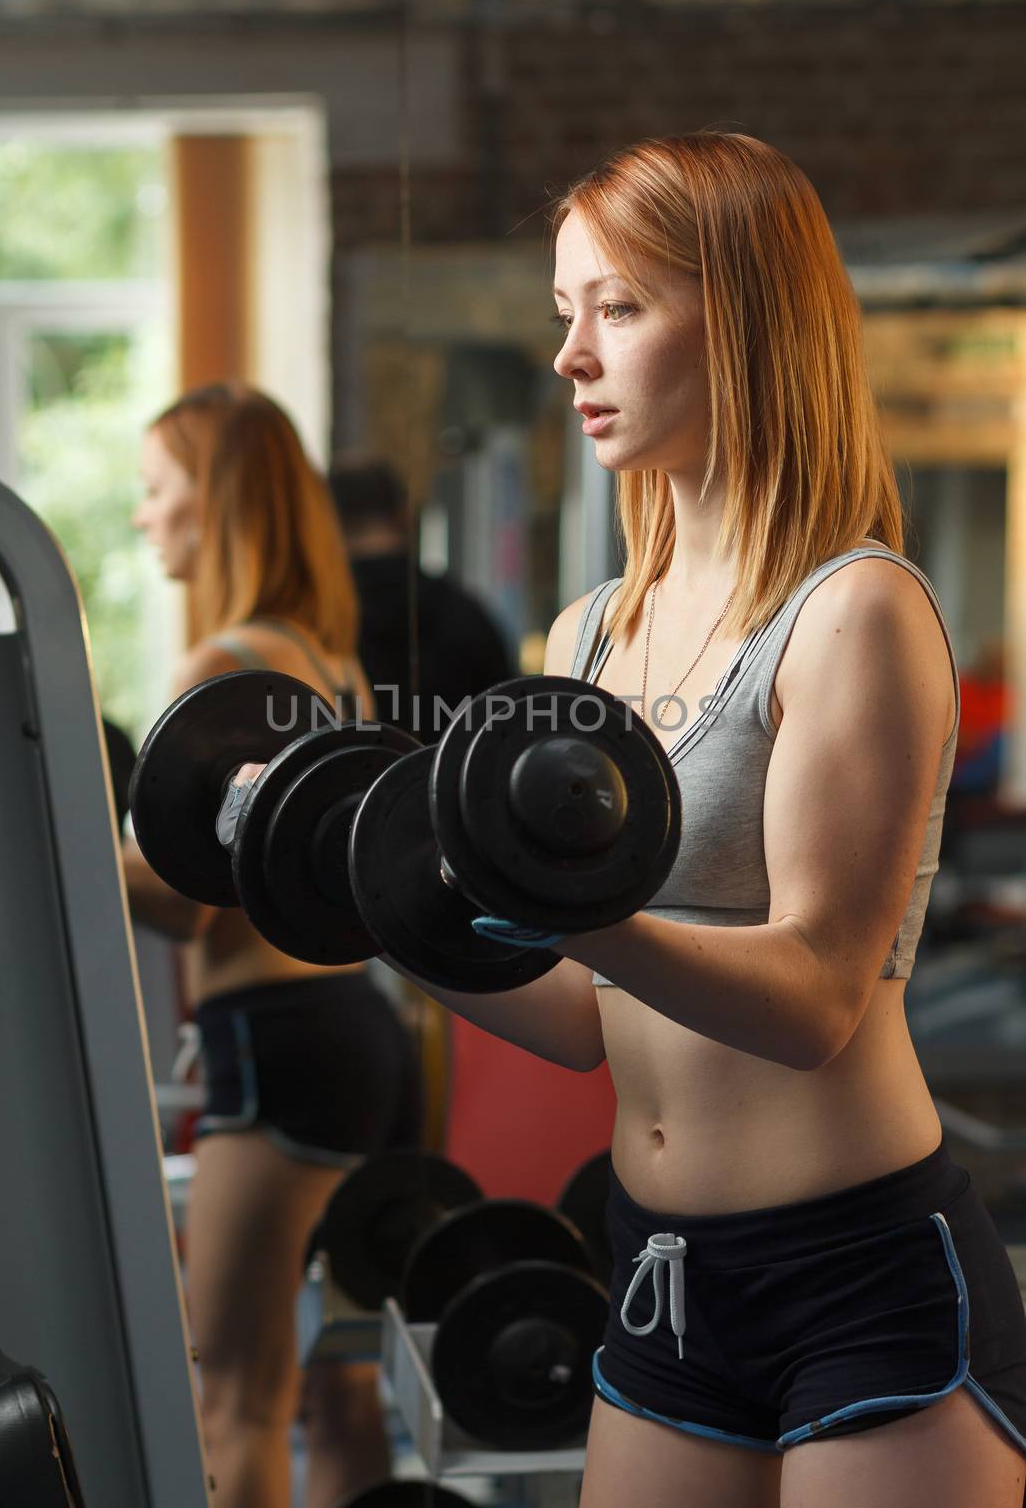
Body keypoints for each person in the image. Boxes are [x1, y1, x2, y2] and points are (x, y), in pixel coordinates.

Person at [384, 135, 1026, 1506]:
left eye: (615, 308)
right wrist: (380, 905)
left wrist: (579, 912)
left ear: (739, 323)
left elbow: (809, 1000)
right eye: (567, 314)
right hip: (660, 1277)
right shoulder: (588, 635)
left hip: (857, 1280)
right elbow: (578, 1013)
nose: (571, 357)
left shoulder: (851, 612)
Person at [124, 384, 420, 1508]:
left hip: (279, 1045)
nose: (144, 514)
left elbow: (197, 901)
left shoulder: (219, 669)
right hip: (359, 1034)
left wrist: (63, 846)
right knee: (341, 1394)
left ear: (221, 501)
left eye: (158, 488)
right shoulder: (319, 662)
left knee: (235, 1400)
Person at [328, 456, 514, 742]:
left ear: (325, 523)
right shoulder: (464, 613)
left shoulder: (319, 623)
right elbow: (508, 722)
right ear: (403, 515)